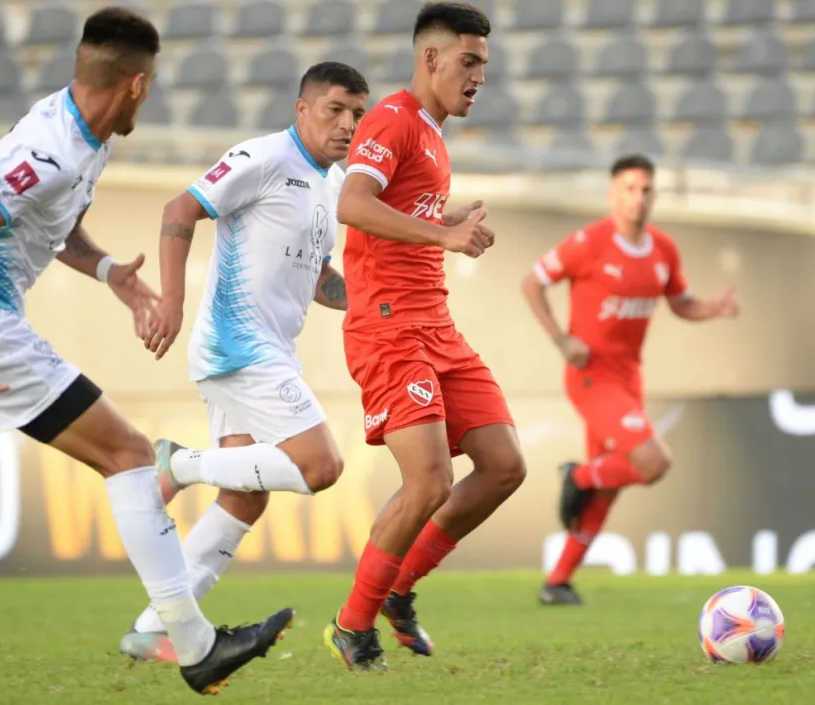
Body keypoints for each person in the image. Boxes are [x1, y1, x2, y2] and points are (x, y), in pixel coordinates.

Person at [0, 7, 292, 695]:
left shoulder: (87, 139)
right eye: (151, 85)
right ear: (137, 84)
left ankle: (190, 639)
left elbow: (54, 229)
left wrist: (112, 273)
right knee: (129, 454)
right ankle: (194, 642)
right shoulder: (51, 148)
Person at [118, 62, 369, 663]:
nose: (347, 124)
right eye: (335, 109)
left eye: (358, 114)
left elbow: (318, 277)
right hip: (239, 347)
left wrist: (371, 300)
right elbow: (181, 208)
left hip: (267, 350)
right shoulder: (263, 157)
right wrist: (171, 301)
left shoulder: (332, 185)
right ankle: (179, 464)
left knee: (245, 497)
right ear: (302, 108)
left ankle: (154, 627)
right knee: (320, 465)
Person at [322, 2, 526, 671]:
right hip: (388, 328)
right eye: (469, 62)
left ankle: (398, 587)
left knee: (503, 464)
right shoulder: (393, 118)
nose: (479, 77)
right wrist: (444, 234)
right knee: (430, 480)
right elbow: (352, 203)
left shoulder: (433, 134)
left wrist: (444, 216)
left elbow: (396, 207)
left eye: (484, 65)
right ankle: (352, 626)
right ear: (430, 58)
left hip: (436, 324)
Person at [521, 153, 740, 606]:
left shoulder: (663, 249)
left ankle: (557, 582)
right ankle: (579, 475)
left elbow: (682, 303)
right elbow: (532, 282)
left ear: (654, 194)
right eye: (629, 189)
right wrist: (561, 339)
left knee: (610, 487)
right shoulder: (590, 242)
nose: (638, 198)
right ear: (613, 194)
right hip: (591, 377)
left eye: (645, 189)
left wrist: (714, 308)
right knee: (653, 462)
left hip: (628, 380)